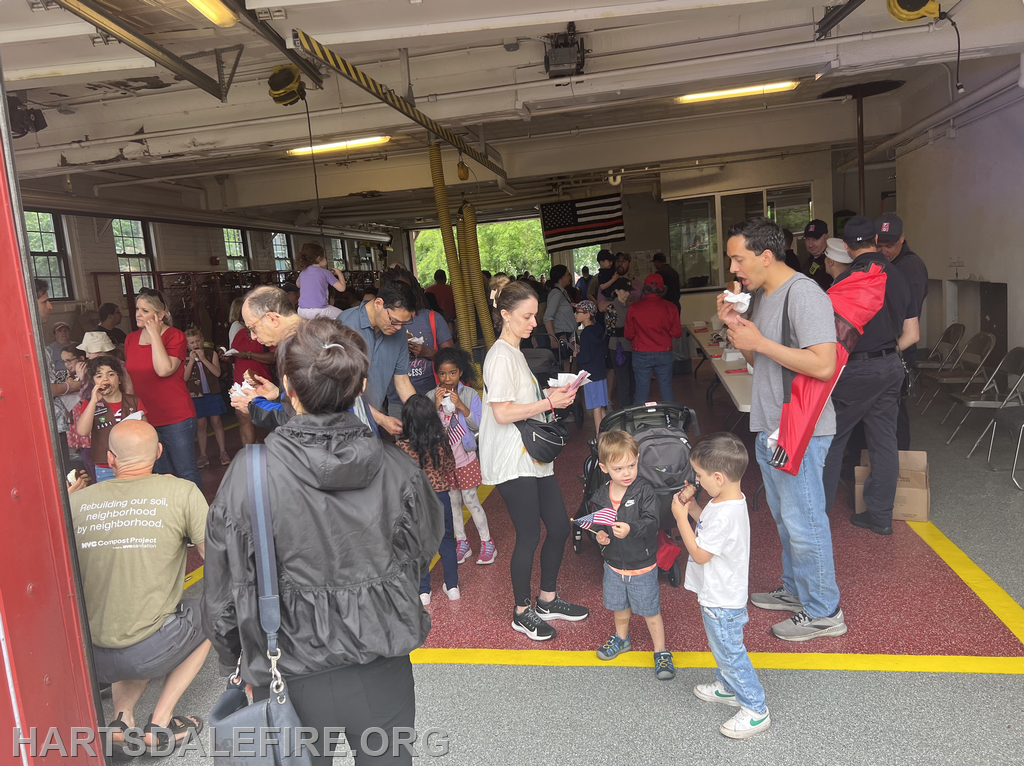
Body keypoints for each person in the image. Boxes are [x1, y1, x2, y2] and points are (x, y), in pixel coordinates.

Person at [202, 318, 443, 766]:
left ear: (288, 387)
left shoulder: (251, 473)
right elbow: (421, 551)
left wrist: (237, 657)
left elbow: (224, 590)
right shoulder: (399, 470)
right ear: (362, 387)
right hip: (381, 662)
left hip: (287, 668)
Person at [718, 217, 845, 642]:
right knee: (787, 518)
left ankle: (824, 610)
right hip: (772, 425)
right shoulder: (764, 297)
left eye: (738, 259)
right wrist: (738, 331)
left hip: (801, 430)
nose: (734, 269)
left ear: (766, 256)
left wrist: (761, 344)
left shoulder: (804, 295)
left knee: (804, 520)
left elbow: (824, 364)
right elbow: (764, 362)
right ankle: (796, 591)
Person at [70, 420, 210, 756]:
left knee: (125, 614)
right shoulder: (181, 491)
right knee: (211, 611)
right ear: (159, 453)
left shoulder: (75, 503)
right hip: (151, 649)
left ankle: (120, 721)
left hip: (89, 655)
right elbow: (219, 561)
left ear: (109, 458)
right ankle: (159, 726)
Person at [480, 280, 587, 641]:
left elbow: (519, 399)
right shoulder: (499, 355)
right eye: (526, 316)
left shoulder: (516, 353)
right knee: (528, 535)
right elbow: (502, 413)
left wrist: (550, 394)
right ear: (505, 315)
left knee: (558, 527)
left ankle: (547, 600)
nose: (533, 322)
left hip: (532, 457)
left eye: (535, 316)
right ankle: (521, 611)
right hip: (512, 459)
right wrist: (549, 403)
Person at [822, 216, 919, 537]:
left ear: (847, 247)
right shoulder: (901, 275)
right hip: (891, 366)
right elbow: (912, 333)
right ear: (877, 241)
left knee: (832, 439)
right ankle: (880, 516)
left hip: (856, 369)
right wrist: (886, 353)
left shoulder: (849, 281)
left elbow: (832, 338)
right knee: (883, 443)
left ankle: (816, 513)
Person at [672, 432, 770, 739]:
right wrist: (692, 510)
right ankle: (728, 687)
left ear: (718, 476)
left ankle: (756, 709)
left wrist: (679, 520)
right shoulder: (726, 500)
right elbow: (707, 525)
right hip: (720, 594)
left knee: (730, 653)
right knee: (722, 648)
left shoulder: (726, 513)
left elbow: (700, 553)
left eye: (699, 476)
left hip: (722, 600)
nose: (697, 481)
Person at [590, 431, 674, 680]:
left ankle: (661, 650)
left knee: (650, 611)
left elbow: (652, 521)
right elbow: (599, 523)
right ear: (604, 468)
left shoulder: (644, 490)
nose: (627, 473)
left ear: (638, 459)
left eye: (632, 465)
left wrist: (631, 528)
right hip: (614, 565)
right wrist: (600, 535)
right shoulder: (602, 494)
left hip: (642, 565)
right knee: (619, 608)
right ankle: (622, 639)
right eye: (618, 468)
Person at [124, 288, 202, 489]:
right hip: (146, 417)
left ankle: (198, 518)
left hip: (175, 416)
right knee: (159, 474)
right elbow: (130, 379)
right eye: (137, 309)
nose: (138, 314)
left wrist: (154, 335)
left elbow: (164, 369)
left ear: (160, 315)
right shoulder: (131, 339)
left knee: (185, 472)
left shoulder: (175, 336)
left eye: (145, 310)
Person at [427, 347, 496, 566]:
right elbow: (426, 429)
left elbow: (478, 424)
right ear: (438, 373)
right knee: (454, 502)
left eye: (453, 373)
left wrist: (460, 405)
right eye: (443, 374)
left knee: (471, 500)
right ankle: (463, 543)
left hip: (465, 458)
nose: (448, 378)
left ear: (460, 373)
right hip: (445, 461)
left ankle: (487, 543)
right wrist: (435, 406)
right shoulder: (431, 396)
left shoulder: (469, 394)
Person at [398, 394, 461, 604]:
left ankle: (424, 591)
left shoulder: (403, 445)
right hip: (440, 496)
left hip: (415, 499)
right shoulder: (440, 438)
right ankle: (453, 587)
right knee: (446, 541)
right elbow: (450, 466)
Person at [876, 213, 928, 450]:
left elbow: (907, 317)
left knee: (895, 411)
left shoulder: (910, 267)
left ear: (902, 240)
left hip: (899, 347)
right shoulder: (888, 263)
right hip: (886, 346)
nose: (884, 250)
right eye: (879, 245)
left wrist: (885, 349)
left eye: (890, 245)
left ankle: (901, 462)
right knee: (886, 411)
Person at [339, 279, 418, 436]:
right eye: (394, 321)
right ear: (378, 304)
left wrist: (420, 414)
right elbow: (341, 391)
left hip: (372, 423)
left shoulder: (399, 333)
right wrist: (382, 419)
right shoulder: (345, 326)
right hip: (343, 424)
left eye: (403, 324)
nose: (398, 328)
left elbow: (402, 381)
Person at [74, 356, 147, 482]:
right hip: (105, 465)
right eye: (99, 376)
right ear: (93, 382)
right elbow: (82, 431)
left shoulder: (133, 401)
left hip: (133, 462)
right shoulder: (89, 404)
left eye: (111, 374)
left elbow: (146, 431)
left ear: (120, 378)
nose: (105, 379)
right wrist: (93, 401)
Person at [36, 279, 81, 476]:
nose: (50, 306)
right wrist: (67, 386)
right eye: (45, 301)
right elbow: (39, 388)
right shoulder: (34, 349)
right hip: (46, 425)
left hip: (54, 422)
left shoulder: (38, 344)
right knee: (60, 474)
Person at [626, 273, 682, 404]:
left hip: (641, 352)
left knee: (641, 391)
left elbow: (628, 335)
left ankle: (639, 422)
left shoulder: (634, 308)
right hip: (664, 351)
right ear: (662, 289)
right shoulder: (671, 307)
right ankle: (670, 421)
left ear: (645, 288)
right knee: (666, 389)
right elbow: (676, 333)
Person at [183, 328, 230, 467]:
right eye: (192, 343)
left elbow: (217, 373)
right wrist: (191, 361)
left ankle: (223, 452)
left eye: (198, 341)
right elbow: (184, 378)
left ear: (202, 340)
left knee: (217, 422)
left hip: (212, 394)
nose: (195, 344)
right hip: (196, 396)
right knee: (201, 424)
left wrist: (203, 359)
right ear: (187, 345)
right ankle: (203, 455)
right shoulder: (185, 358)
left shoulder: (211, 354)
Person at [574, 300, 609, 431]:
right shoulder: (599, 329)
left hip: (590, 375)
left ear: (587, 315)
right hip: (601, 372)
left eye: (578, 312)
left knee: (595, 407)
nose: (575, 314)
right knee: (600, 406)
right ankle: (608, 433)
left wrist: (577, 355)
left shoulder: (585, 334)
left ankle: (599, 438)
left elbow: (586, 357)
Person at [603, 278, 635, 409]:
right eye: (624, 290)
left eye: (628, 291)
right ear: (616, 291)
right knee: (624, 382)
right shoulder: (611, 308)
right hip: (618, 348)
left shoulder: (630, 306)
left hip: (632, 347)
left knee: (633, 381)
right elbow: (610, 330)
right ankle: (626, 410)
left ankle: (632, 407)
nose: (627, 293)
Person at [296, 241, 347, 320]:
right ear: (319, 258)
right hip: (320, 310)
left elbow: (298, 284)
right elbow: (342, 288)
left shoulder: (303, 272)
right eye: (325, 257)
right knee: (344, 316)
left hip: (301, 310)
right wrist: (339, 273)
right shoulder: (326, 273)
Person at [544, 264, 576, 370]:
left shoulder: (562, 292)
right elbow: (548, 317)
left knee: (571, 364)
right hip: (562, 335)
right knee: (567, 366)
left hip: (569, 334)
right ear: (561, 277)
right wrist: (553, 339)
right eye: (567, 275)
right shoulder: (556, 294)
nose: (570, 277)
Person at [801, 219, 832, 291]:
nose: (810, 244)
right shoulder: (808, 261)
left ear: (826, 238)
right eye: (808, 239)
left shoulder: (832, 261)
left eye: (815, 239)